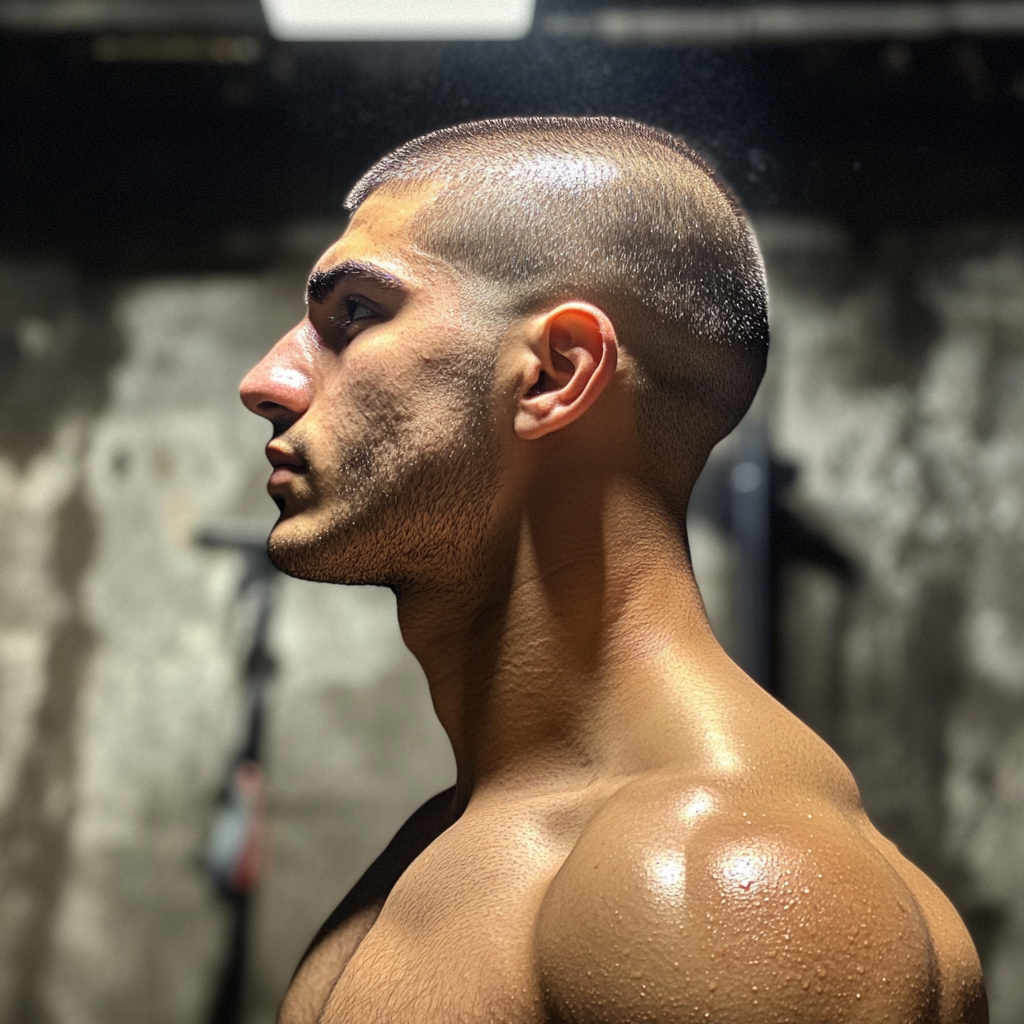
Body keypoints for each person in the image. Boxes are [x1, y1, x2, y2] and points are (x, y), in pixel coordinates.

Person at [240, 116, 986, 1024]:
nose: (268, 378)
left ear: (558, 373)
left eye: (353, 312)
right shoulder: (449, 838)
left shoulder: (714, 881)